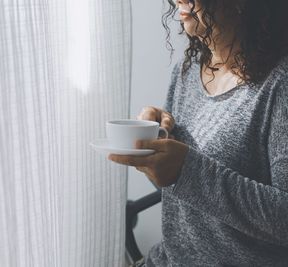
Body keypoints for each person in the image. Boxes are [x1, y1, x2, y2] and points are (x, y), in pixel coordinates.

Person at [108, 0, 288, 265]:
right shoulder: (188, 70)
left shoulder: (280, 84)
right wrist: (157, 150)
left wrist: (185, 170)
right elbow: (182, 194)